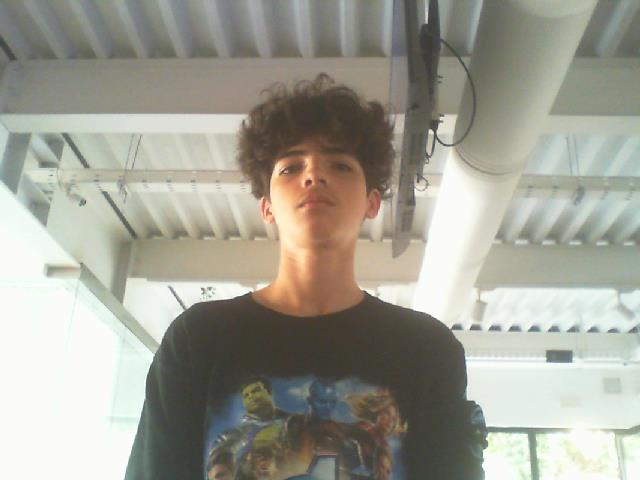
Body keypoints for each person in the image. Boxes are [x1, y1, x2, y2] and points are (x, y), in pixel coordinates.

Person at [125, 73, 486, 480]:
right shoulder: (198, 338)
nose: (313, 174)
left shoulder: (427, 349)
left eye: (340, 164)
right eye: (290, 167)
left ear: (371, 202)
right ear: (267, 207)